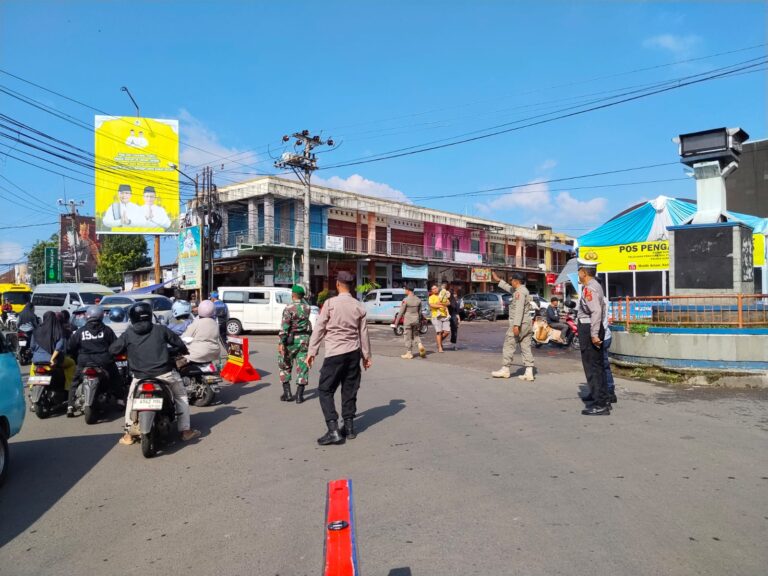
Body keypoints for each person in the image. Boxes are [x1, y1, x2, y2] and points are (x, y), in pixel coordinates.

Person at [109, 301, 201, 445]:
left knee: (131, 400)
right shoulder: (160, 329)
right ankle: (186, 431)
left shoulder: (128, 333)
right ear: (150, 315)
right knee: (181, 396)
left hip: (139, 377)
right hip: (165, 374)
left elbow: (113, 350)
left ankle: (128, 435)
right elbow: (178, 343)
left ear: (132, 317)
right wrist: (183, 350)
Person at [307, 271, 372, 445]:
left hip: (335, 353)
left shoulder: (330, 303)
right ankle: (349, 428)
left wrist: (312, 352)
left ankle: (333, 429)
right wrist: (366, 356)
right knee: (349, 389)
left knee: (325, 390)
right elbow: (363, 333)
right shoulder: (359, 306)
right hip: (353, 353)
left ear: (337, 284)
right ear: (351, 286)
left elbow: (319, 328)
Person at [66, 305, 121, 417]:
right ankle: (120, 400)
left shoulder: (80, 331)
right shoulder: (106, 330)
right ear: (101, 316)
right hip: (104, 362)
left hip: (84, 362)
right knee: (115, 377)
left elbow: (70, 346)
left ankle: (70, 406)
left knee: (75, 382)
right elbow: (115, 346)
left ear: (87, 316)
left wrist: (75, 356)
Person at [576, 259, 610, 416]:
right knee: (597, 365)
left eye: (579, 271)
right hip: (594, 327)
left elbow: (596, 311)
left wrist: (594, 334)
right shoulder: (596, 285)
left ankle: (600, 404)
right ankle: (601, 397)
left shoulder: (590, 288)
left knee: (592, 367)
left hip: (589, 328)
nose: (578, 274)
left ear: (583, 272)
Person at [491, 271, 535, 381]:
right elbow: (510, 289)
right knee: (526, 347)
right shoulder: (522, 290)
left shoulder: (520, 293)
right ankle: (529, 371)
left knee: (509, 345)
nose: (511, 283)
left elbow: (519, 309)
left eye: (512, 281)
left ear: (516, 281)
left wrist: (516, 325)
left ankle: (505, 369)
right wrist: (499, 281)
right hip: (527, 324)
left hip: (520, 324)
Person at [277, 285, 313, 404]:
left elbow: (285, 327)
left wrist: (281, 342)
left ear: (293, 295)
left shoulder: (289, 308)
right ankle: (299, 396)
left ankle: (287, 393)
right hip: (304, 340)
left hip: (290, 340)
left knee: (285, 364)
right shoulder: (307, 307)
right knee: (302, 365)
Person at [393, 283, 426, 359]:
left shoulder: (405, 300)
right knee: (416, 335)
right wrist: (419, 321)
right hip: (416, 320)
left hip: (408, 320)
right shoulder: (418, 299)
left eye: (405, 289)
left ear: (408, 290)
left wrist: (396, 323)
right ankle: (420, 345)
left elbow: (401, 312)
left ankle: (409, 353)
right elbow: (420, 312)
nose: (404, 290)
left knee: (407, 337)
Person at [428, 284, 450, 353]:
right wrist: (440, 306)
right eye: (433, 289)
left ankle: (439, 342)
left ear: (438, 288)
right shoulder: (431, 297)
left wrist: (441, 304)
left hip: (445, 315)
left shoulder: (442, 295)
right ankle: (440, 347)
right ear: (431, 291)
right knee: (439, 332)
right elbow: (432, 305)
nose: (435, 290)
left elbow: (448, 303)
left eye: (436, 288)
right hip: (436, 316)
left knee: (447, 332)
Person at [448, 286, 461, 351]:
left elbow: (457, 311)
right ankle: (440, 342)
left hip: (453, 316)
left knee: (454, 331)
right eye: (454, 294)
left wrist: (458, 318)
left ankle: (453, 344)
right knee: (445, 331)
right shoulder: (447, 300)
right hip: (447, 316)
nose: (455, 295)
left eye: (455, 294)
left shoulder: (456, 301)